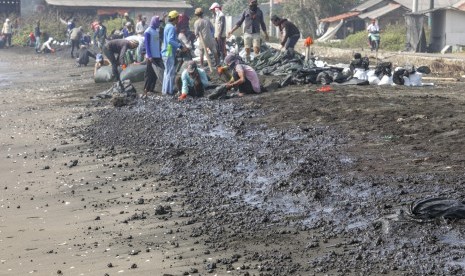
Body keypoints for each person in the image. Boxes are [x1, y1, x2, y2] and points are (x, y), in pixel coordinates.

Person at [161, 10, 188, 95]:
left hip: (166, 51)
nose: (178, 20)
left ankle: (165, 91)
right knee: (171, 72)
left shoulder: (167, 26)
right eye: (178, 18)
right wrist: (180, 47)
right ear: (175, 18)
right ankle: (169, 91)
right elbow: (170, 40)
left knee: (167, 72)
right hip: (168, 52)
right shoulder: (172, 27)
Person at [143, 16, 165, 98]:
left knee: (155, 74)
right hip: (151, 56)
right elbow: (147, 45)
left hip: (157, 55)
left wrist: (159, 53)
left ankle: (151, 89)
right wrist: (149, 55)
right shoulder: (148, 31)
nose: (159, 23)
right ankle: (146, 89)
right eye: (158, 22)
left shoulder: (156, 31)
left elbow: (157, 44)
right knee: (149, 74)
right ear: (154, 22)